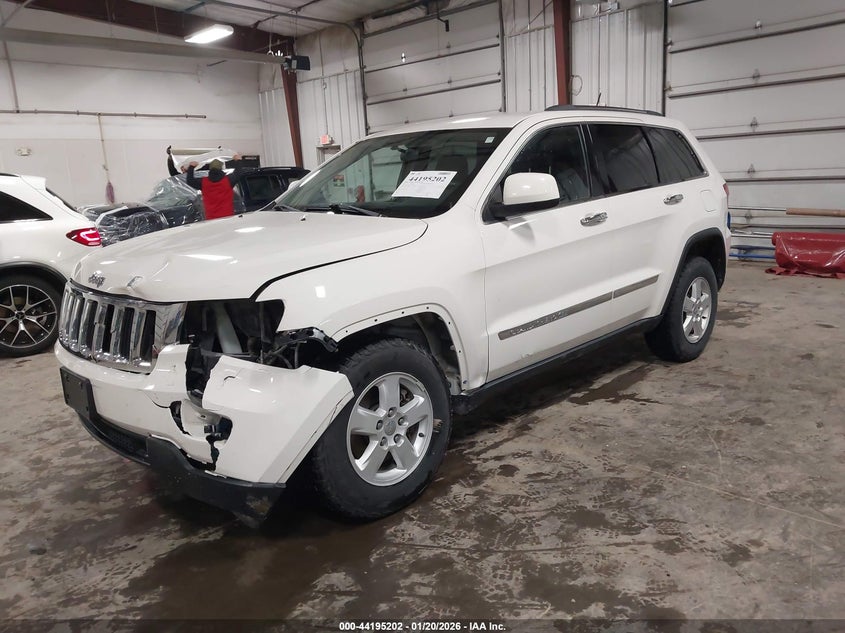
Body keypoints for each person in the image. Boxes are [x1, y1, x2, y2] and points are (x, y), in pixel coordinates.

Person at [185, 154, 244, 220]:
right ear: (221, 168)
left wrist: (191, 167)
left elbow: (190, 181)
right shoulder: (228, 180)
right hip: (228, 217)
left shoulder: (203, 182)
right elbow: (239, 173)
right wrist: (238, 160)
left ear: (210, 169)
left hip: (211, 219)